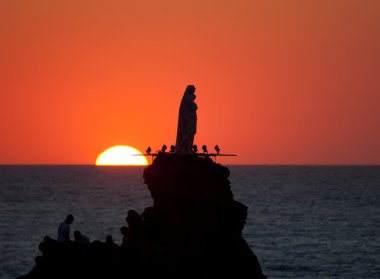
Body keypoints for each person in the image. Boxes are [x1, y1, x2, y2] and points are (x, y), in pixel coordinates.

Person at [175, 85, 198, 154]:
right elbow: (194, 107)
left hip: (190, 120)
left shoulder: (185, 99)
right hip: (188, 120)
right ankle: (186, 148)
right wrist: (195, 104)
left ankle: (187, 148)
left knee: (189, 134)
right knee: (188, 134)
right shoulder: (188, 99)